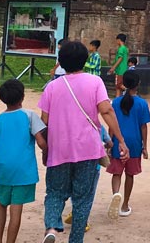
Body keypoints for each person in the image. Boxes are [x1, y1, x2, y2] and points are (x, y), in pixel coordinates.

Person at [39, 41, 130, 243]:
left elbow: (44, 121)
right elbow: (106, 110)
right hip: (88, 150)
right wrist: (120, 140)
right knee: (82, 199)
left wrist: (46, 146)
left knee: (54, 192)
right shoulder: (95, 82)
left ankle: (52, 227)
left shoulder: (52, 87)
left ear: (61, 62)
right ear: (85, 60)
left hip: (59, 150)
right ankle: (76, 239)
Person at [0, 79, 47, 243]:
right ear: (23, 96)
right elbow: (41, 142)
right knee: (16, 208)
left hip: (3, 168)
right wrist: (46, 154)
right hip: (23, 169)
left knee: (1, 203)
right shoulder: (29, 116)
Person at [107, 70, 150, 219]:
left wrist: (110, 143)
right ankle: (125, 205)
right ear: (138, 84)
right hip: (134, 142)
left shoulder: (116, 102)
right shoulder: (142, 104)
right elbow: (144, 126)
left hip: (119, 141)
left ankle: (115, 195)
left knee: (117, 172)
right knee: (130, 174)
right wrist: (144, 146)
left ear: (123, 83)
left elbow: (111, 124)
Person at [64, 125, 112, 233]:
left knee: (76, 188)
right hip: (93, 165)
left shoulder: (73, 125)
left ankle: (75, 209)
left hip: (74, 162)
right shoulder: (98, 125)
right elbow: (109, 142)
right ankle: (83, 221)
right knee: (89, 194)